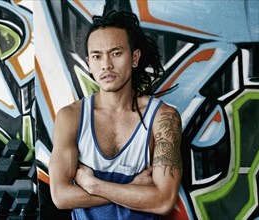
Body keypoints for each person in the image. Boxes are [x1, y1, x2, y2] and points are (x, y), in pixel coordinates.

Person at [49, 10, 182, 220]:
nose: (106, 64)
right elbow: (61, 196)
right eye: (97, 56)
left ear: (134, 58)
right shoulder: (71, 117)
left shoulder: (163, 118)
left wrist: (94, 185)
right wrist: (131, 189)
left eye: (116, 53)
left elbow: (163, 201)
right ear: (89, 63)